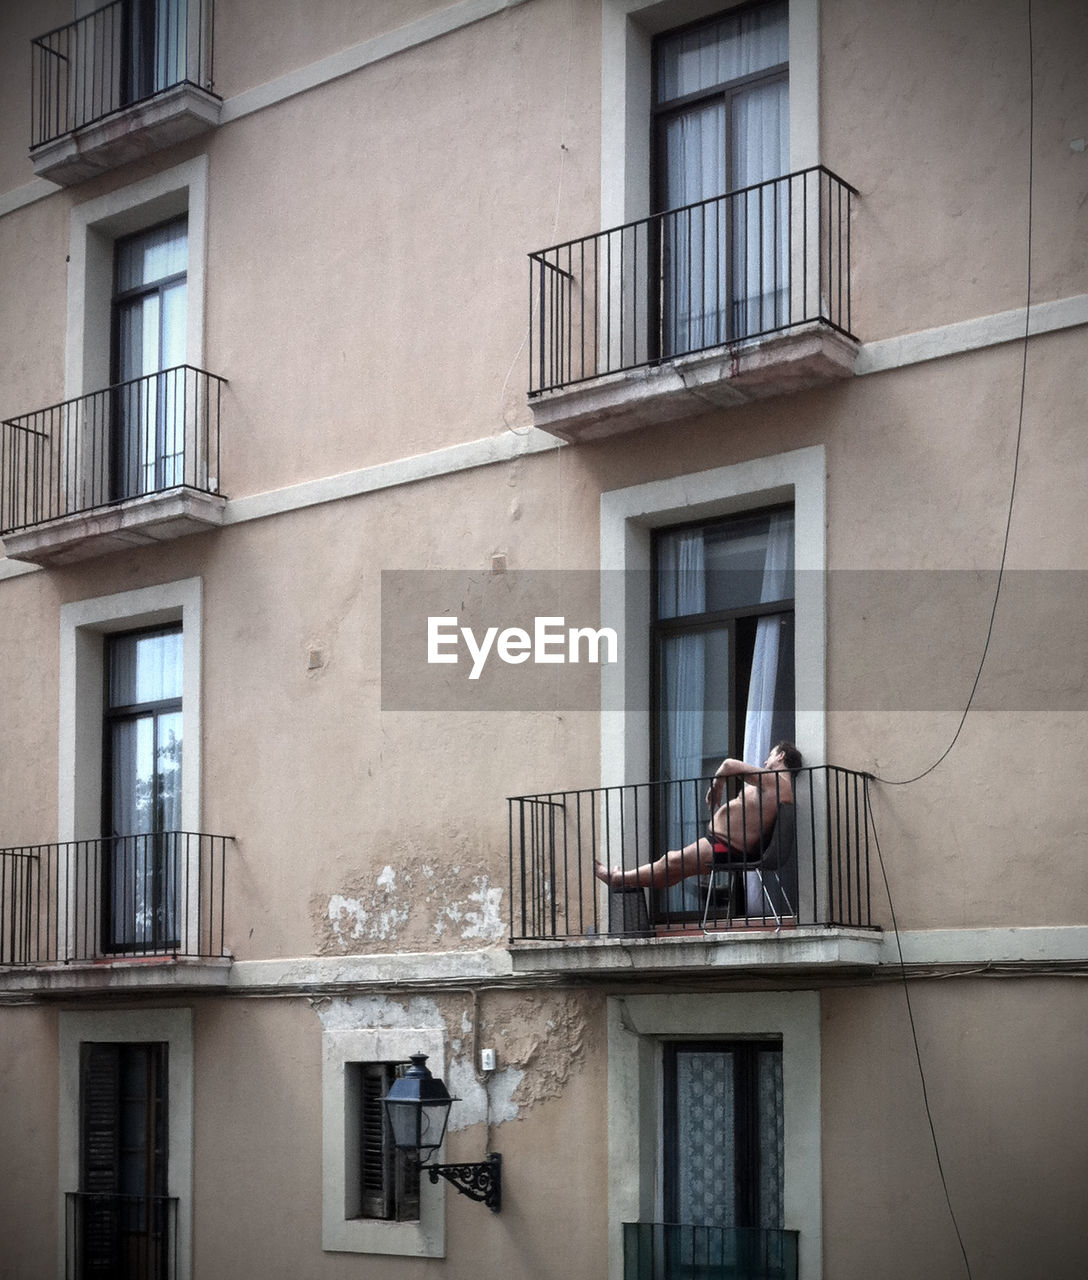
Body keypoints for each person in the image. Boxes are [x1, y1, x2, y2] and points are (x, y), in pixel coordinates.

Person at [593, 742, 803, 890]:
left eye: (770, 755)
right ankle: (622, 879)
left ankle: (616, 878)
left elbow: (729, 765)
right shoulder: (781, 788)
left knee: (672, 861)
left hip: (726, 847)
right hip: (726, 845)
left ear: (781, 756)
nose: (766, 760)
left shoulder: (775, 781)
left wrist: (717, 785)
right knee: (674, 870)